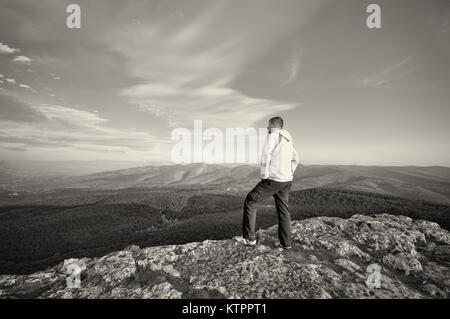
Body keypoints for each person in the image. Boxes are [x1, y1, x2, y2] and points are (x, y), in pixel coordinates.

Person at [235, 116, 299, 249]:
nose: (267, 128)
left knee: (251, 201)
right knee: (283, 210)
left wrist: (264, 175)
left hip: (274, 178)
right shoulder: (288, 139)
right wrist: (289, 172)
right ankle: (286, 243)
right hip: (286, 180)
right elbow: (295, 158)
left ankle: (249, 238)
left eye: (268, 125)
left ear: (274, 126)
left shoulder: (273, 136)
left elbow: (265, 154)